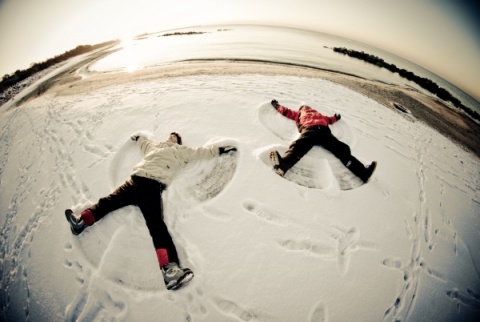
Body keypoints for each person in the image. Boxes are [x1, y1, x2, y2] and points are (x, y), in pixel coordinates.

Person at [65, 132, 237, 290]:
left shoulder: (180, 151)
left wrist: (220, 150)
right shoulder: (154, 146)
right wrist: (139, 138)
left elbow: (200, 152)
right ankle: (81, 222)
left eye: (175, 137)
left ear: (178, 141)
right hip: (134, 182)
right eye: (170, 135)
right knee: (106, 203)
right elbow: (144, 143)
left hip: (151, 186)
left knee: (156, 226)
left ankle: (169, 270)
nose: (171, 137)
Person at [269, 99, 377, 183]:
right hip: (309, 129)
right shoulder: (298, 114)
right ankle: (282, 166)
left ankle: (363, 173)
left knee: (342, 149)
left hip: (325, 133)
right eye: (304, 107)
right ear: (301, 109)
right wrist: (276, 105)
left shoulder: (320, 115)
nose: (306, 108)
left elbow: (330, 119)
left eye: (307, 107)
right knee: (299, 146)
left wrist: (336, 118)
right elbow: (286, 111)